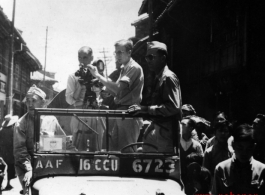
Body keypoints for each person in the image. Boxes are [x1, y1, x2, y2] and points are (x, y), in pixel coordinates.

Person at [13, 85, 71, 195]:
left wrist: (76, 155)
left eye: (33, 101)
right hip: (28, 168)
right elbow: (20, 152)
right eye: (28, 101)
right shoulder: (20, 124)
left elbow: (64, 143)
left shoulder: (51, 119)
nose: (30, 105)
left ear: (43, 103)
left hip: (48, 167)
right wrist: (29, 170)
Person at [88, 39, 144, 151]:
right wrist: (102, 89)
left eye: (120, 52)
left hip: (129, 113)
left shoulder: (134, 68)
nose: (117, 55)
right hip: (121, 112)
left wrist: (98, 76)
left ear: (129, 53)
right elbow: (115, 92)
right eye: (116, 52)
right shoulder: (124, 68)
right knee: (115, 151)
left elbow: (118, 88)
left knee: (127, 151)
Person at [128, 41, 182, 153]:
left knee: (166, 166)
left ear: (163, 58)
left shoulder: (168, 77)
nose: (148, 61)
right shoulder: (159, 77)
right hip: (158, 127)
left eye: (151, 57)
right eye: (147, 58)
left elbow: (173, 107)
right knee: (146, 157)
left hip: (168, 131)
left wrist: (146, 109)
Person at [212, 124, 265, 194]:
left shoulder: (262, 170)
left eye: (248, 149)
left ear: (254, 147)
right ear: (233, 145)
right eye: (240, 148)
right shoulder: (221, 169)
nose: (244, 153)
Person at [179, 118, 204, 193]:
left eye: (183, 124)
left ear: (191, 128)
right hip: (177, 178)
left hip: (191, 181)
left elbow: (201, 163)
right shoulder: (175, 143)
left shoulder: (197, 145)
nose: (180, 126)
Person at [0, 114, 18, 190]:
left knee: (2, 167)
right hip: (11, 151)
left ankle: (1, 184)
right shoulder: (13, 130)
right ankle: (8, 183)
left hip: (3, 152)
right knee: (10, 167)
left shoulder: (1, 130)